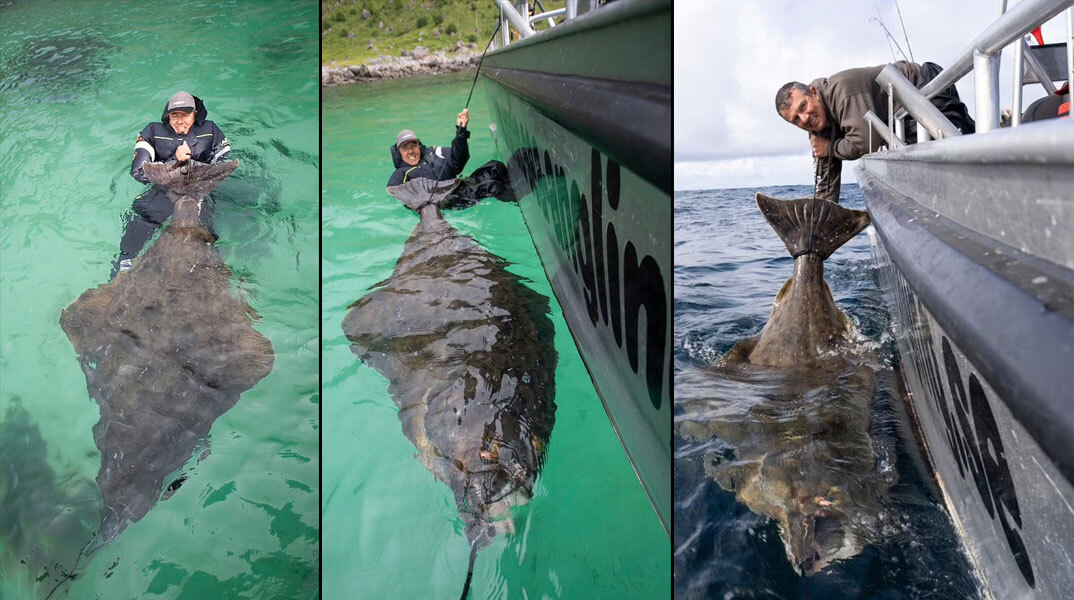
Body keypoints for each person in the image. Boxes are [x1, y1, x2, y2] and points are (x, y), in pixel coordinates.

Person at [776, 61, 975, 203]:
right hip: (897, 117)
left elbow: (865, 141)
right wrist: (819, 226)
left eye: (803, 107)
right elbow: (825, 186)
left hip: (921, 87)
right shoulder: (817, 128)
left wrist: (831, 148)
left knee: (946, 157)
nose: (804, 118)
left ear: (813, 92)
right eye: (796, 120)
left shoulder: (841, 89)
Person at [112, 91, 231, 277]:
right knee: (142, 219)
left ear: (195, 114)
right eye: (175, 115)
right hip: (163, 188)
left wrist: (204, 177)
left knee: (205, 232)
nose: (180, 121)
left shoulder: (210, 130)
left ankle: (210, 267)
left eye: (186, 114)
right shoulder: (151, 132)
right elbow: (138, 172)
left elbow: (222, 160)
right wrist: (173, 160)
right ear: (168, 116)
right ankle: (125, 262)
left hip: (198, 190)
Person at [388, 108, 470, 187]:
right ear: (399, 152)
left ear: (419, 146)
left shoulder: (435, 152)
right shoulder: (400, 175)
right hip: (438, 200)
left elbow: (458, 160)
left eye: (414, 145)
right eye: (405, 148)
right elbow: (395, 195)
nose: (411, 151)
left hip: (461, 190)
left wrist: (461, 130)